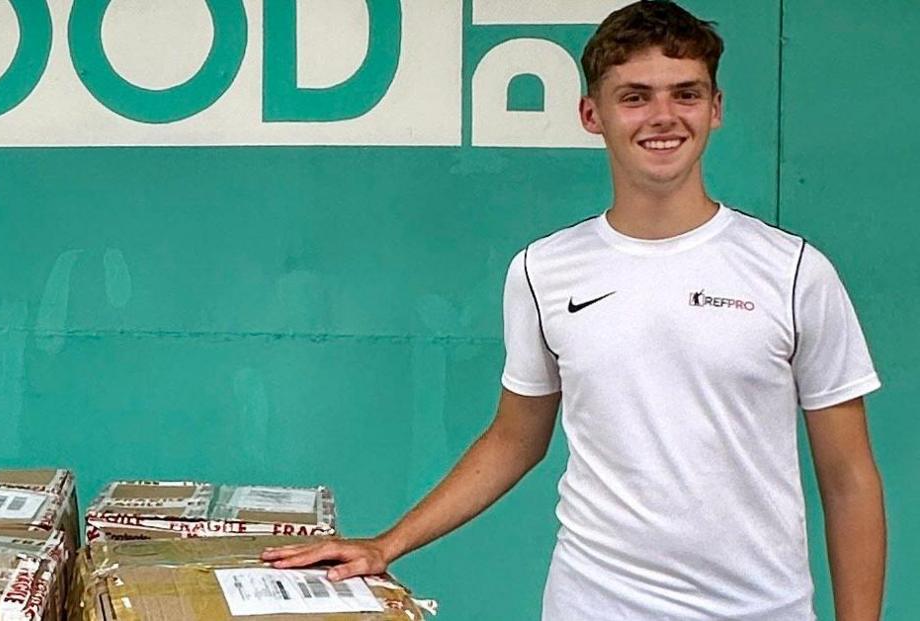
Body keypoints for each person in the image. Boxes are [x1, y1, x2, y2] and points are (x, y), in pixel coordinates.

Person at [262, 1, 886, 619]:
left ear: (716, 109)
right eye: (635, 96)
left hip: (760, 611)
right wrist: (388, 543)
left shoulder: (794, 271)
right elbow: (514, 439)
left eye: (686, 94)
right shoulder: (542, 270)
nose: (663, 116)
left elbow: (849, 478)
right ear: (593, 114)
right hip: (595, 607)